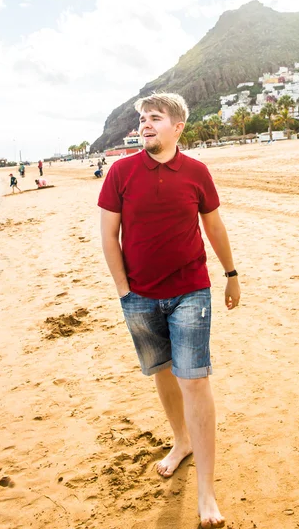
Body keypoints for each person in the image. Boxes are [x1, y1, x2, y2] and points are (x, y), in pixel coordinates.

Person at [98, 93, 240, 529]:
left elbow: (212, 225)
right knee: (162, 371)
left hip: (190, 293)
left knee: (194, 380)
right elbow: (108, 235)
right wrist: (125, 292)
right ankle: (181, 442)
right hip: (139, 296)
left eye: (154, 118)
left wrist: (231, 273)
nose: (145, 124)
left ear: (177, 127)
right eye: (142, 118)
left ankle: (206, 493)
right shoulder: (120, 172)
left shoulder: (197, 172)